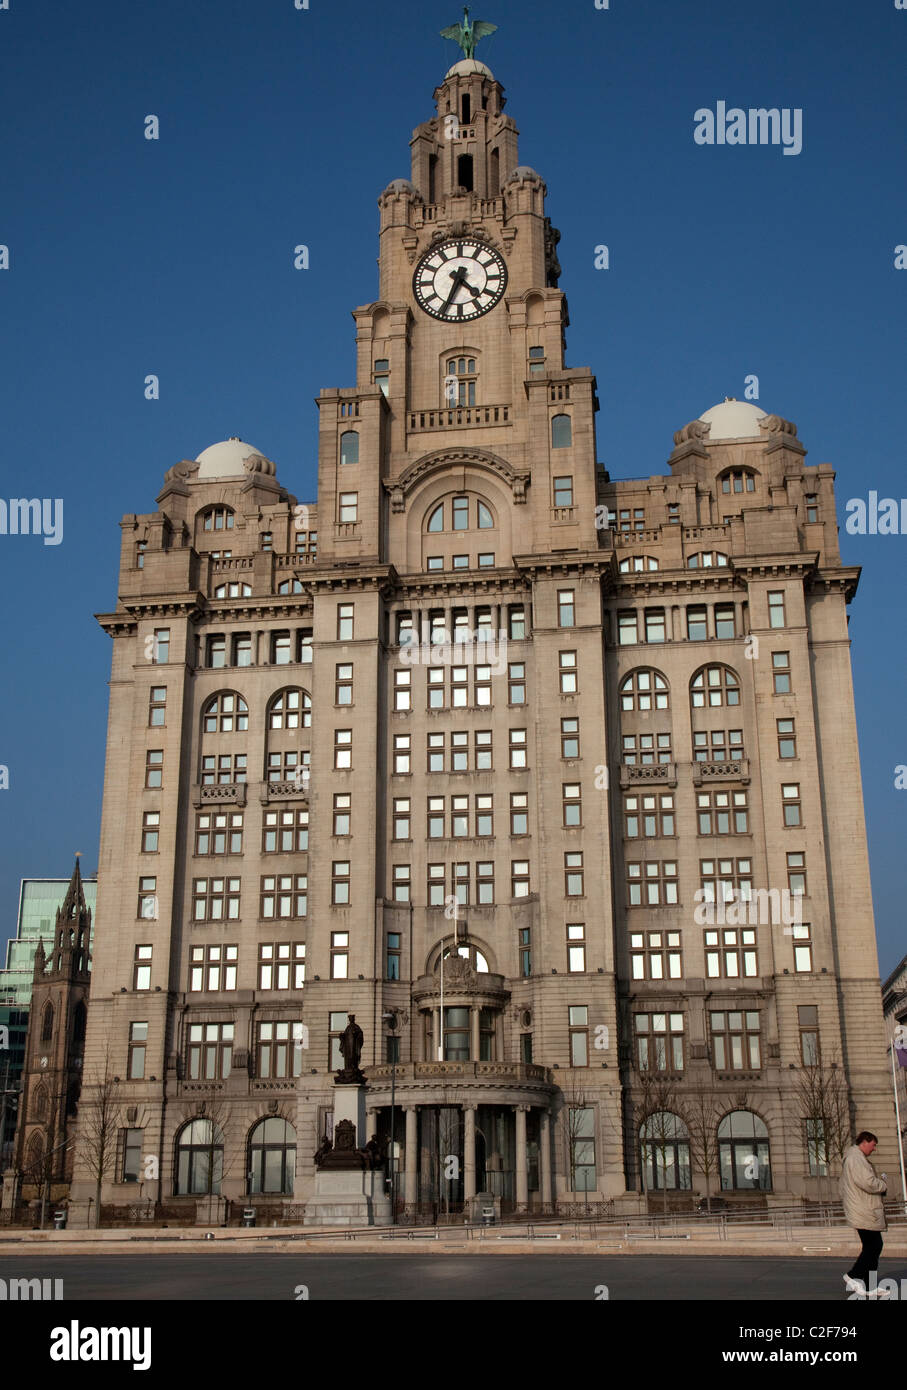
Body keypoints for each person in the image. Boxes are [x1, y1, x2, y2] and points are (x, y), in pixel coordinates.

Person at [840, 1131, 890, 1299]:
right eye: (873, 1145)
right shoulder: (856, 1158)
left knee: (873, 1247)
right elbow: (867, 1182)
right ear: (865, 1142)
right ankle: (853, 1275)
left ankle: (870, 1286)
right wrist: (882, 1184)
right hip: (864, 1210)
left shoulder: (855, 1157)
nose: (874, 1149)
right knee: (874, 1246)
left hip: (863, 1209)